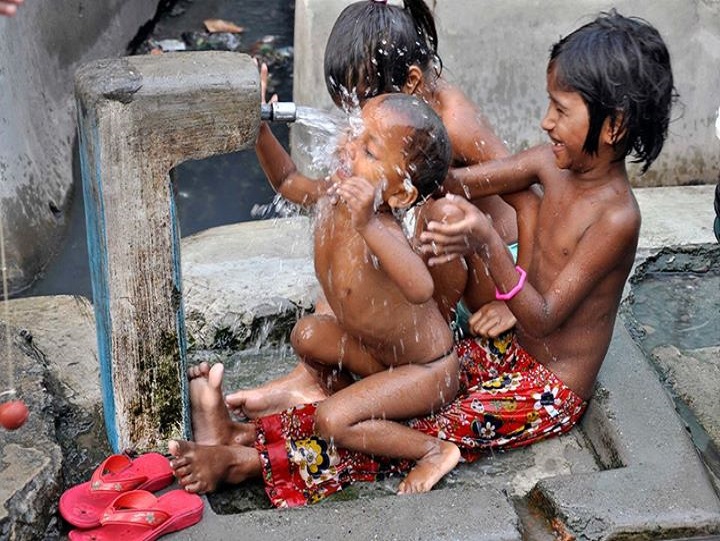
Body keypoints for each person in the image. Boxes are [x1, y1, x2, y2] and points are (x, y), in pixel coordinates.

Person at [169, 10, 675, 507]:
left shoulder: (616, 218)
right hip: (505, 352)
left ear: (614, 126)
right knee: (394, 396)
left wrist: (488, 245)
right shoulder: (548, 161)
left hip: (546, 388)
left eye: (561, 111)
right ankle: (241, 433)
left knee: (407, 430)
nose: (545, 122)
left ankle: (246, 463)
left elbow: (544, 320)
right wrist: (399, 181)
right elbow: (449, 182)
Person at [226, 0, 524, 420]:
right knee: (352, 254)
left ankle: (412, 366)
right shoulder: (387, 131)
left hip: (496, 272)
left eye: (362, 103)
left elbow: (526, 192)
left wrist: (514, 298)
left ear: (411, 83)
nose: (352, 121)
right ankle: (309, 378)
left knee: (440, 214)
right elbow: (294, 184)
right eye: (348, 107)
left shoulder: (454, 124)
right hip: (433, 265)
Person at [221, 87, 461, 494]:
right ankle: (361, 408)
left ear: (400, 193)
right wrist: (258, 125)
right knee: (307, 334)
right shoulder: (334, 195)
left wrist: (368, 224)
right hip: (378, 360)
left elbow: (421, 288)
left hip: (426, 372)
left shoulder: (381, 229)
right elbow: (287, 180)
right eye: (352, 135)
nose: (348, 149)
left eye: (368, 152)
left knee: (331, 421)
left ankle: (434, 450)